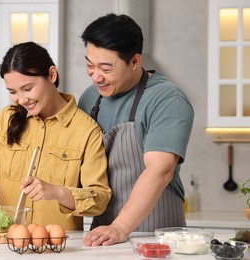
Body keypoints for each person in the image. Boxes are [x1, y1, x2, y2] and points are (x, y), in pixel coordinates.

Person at [0, 41, 111, 230]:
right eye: (13, 92)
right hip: (8, 241)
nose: (21, 99)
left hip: (58, 247)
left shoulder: (86, 130)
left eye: (28, 88)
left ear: (52, 75)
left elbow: (99, 198)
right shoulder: (7, 118)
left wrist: (56, 192)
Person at [78, 13, 194, 245]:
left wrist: (120, 226)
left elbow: (160, 170)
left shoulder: (166, 98)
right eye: (90, 65)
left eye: (106, 68)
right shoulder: (91, 98)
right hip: (103, 234)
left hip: (157, 234)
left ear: (134, 61)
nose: (96, 76)